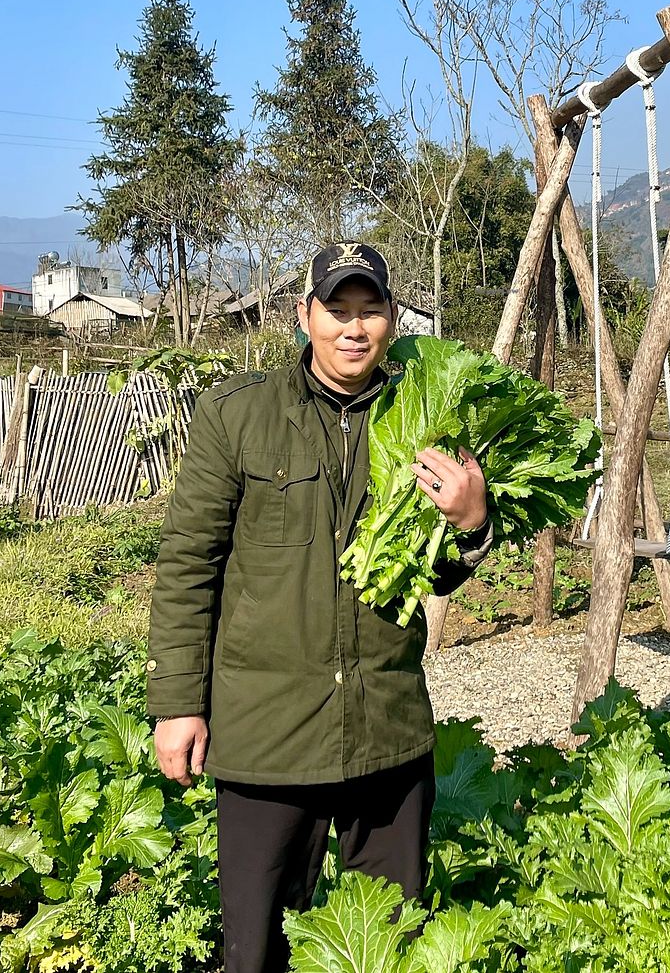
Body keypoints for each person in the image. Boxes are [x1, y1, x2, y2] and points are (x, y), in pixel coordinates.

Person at [146, 243, 493, 973]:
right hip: (267, 736)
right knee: (255, 949)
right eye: (337, 309)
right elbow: (187, 565)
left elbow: (432, 575)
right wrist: (177, 703)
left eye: (370, 310)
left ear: (392, 319)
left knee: (388, 947)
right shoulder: (236, 416)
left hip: (385, 730)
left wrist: (470, 527)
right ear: (306, 316)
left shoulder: (427, 421)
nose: (353, 328)